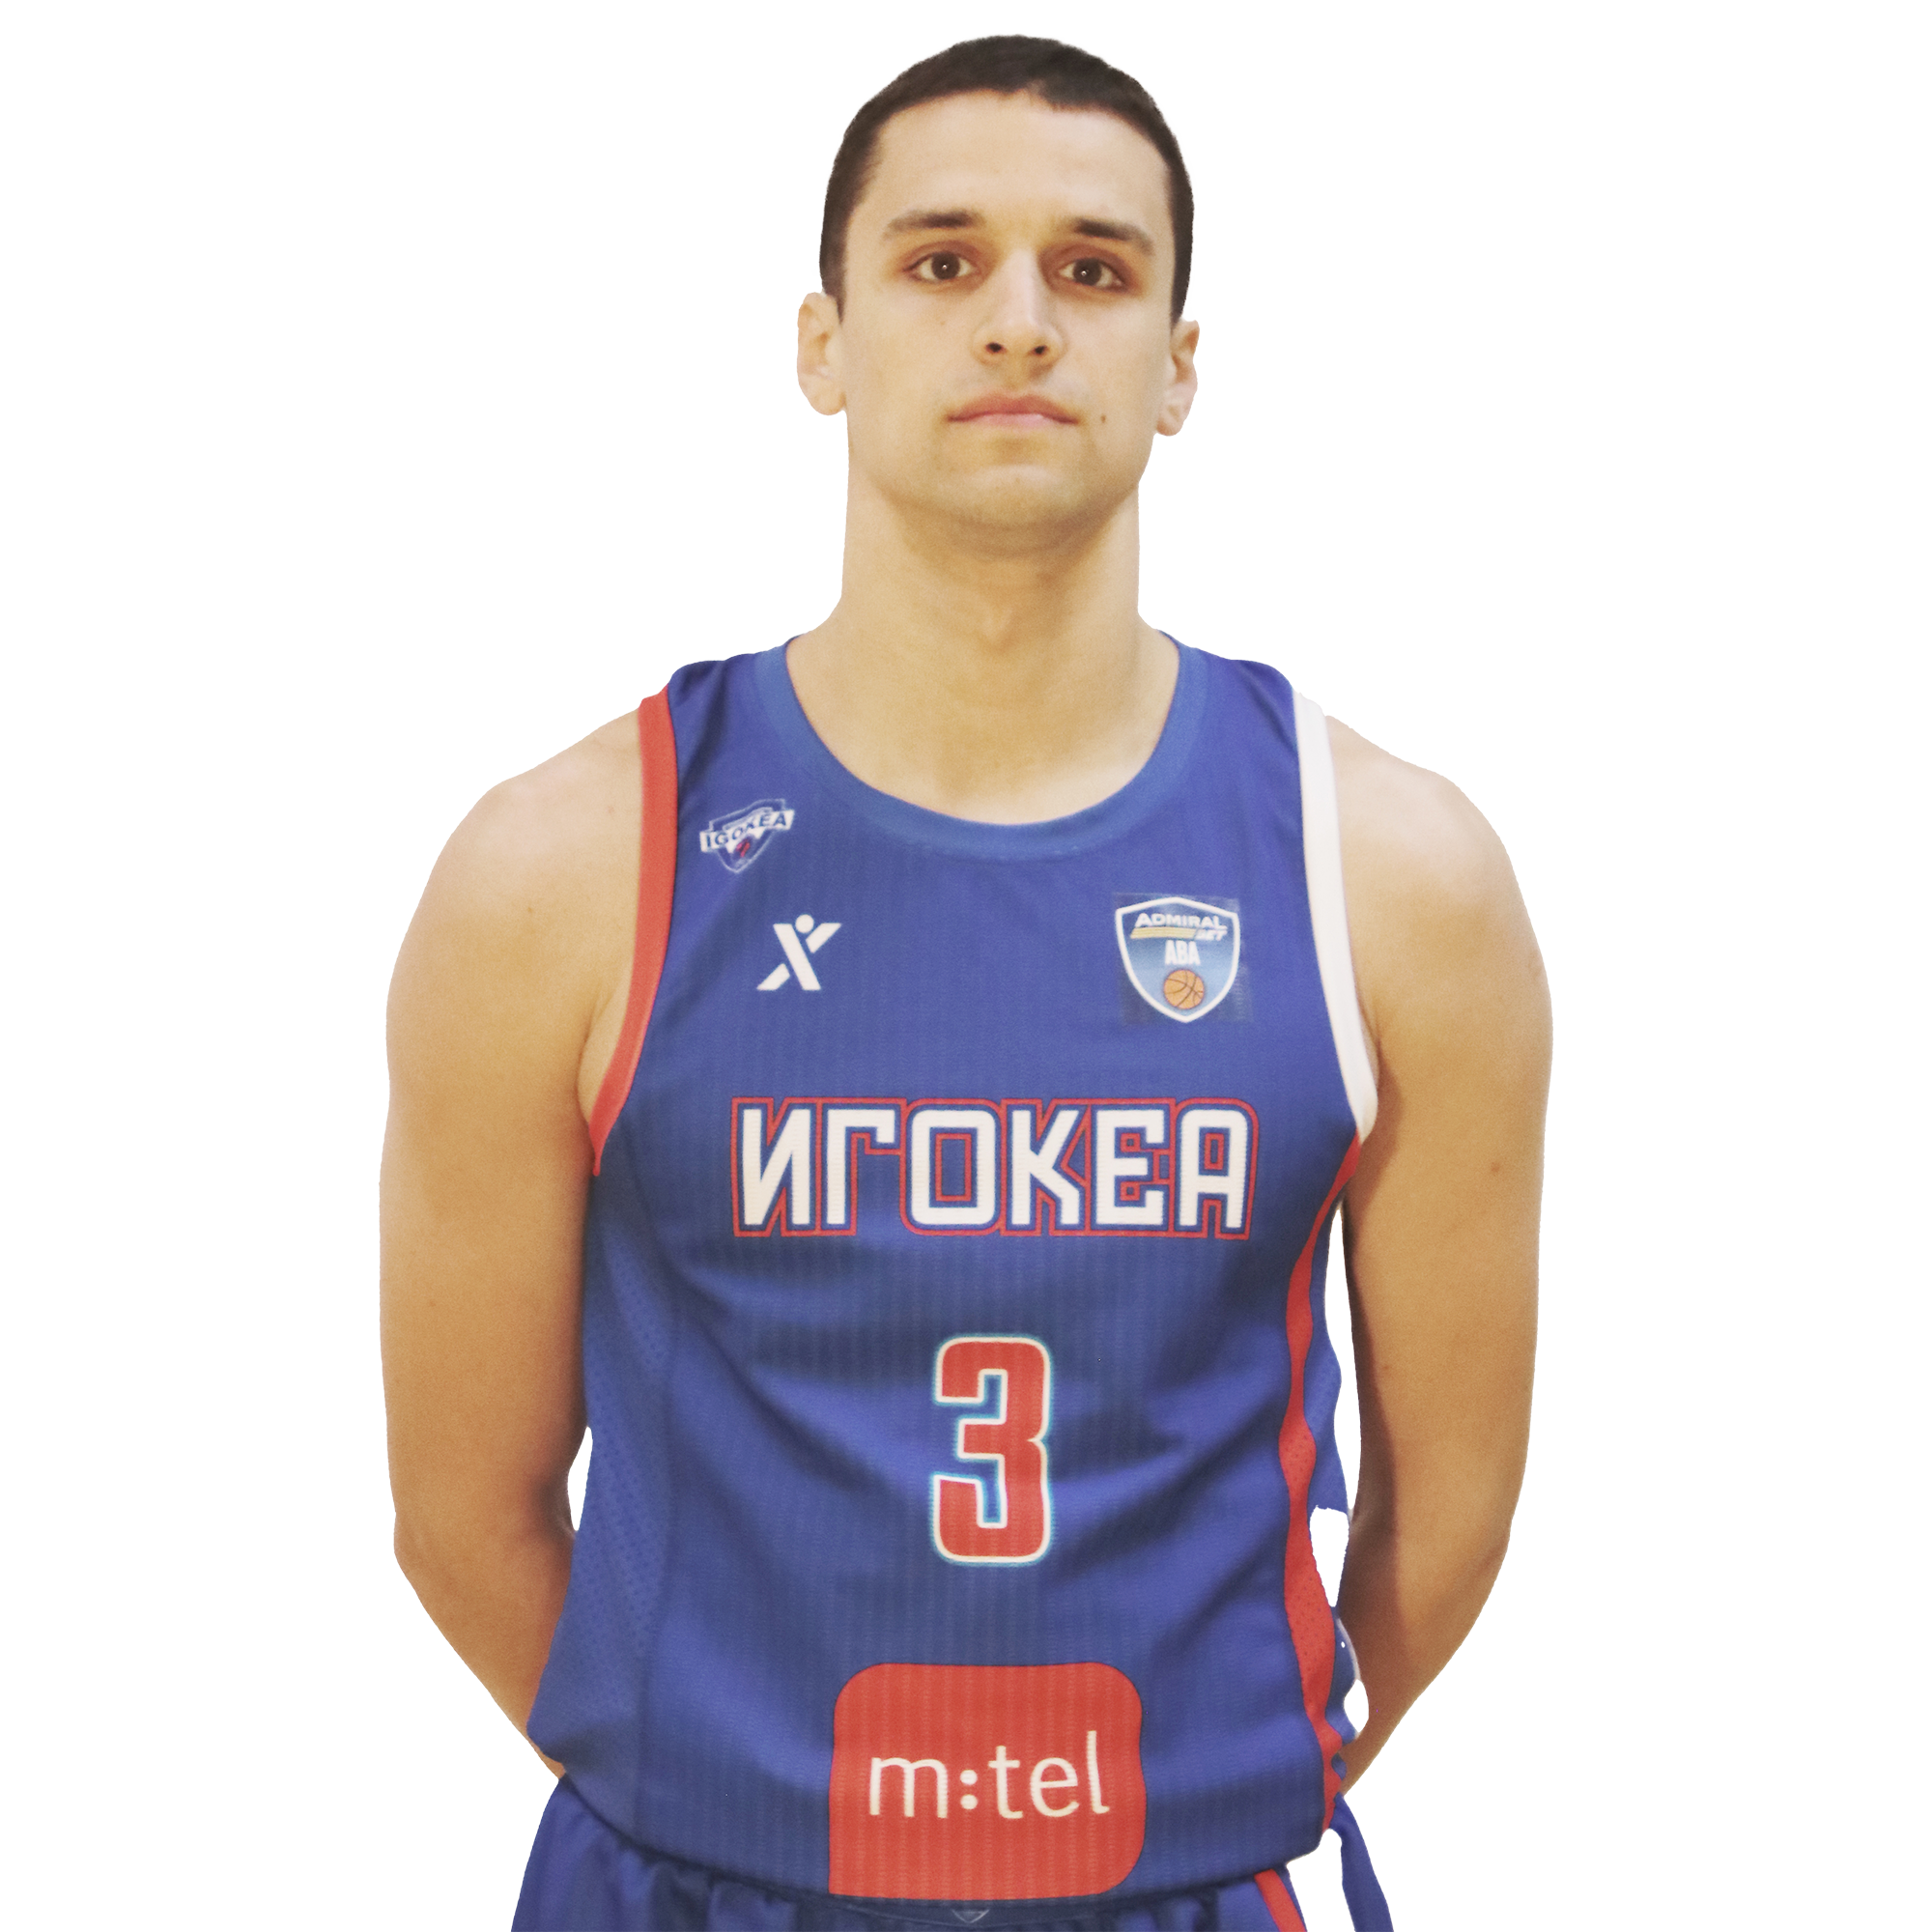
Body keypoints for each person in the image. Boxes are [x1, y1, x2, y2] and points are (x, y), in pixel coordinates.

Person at [381, 35, 1548, 1932]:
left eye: (1093, 268)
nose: (1019, 319)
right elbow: (462, 1509)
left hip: (1190, 1882)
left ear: (1181, 366)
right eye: (941, 261)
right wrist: (739, 1804)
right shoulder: (563, 864)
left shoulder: (1390, 873)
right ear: (821, 344)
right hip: (700, 1883)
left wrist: (1194, 1809)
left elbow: (1457, 1504)